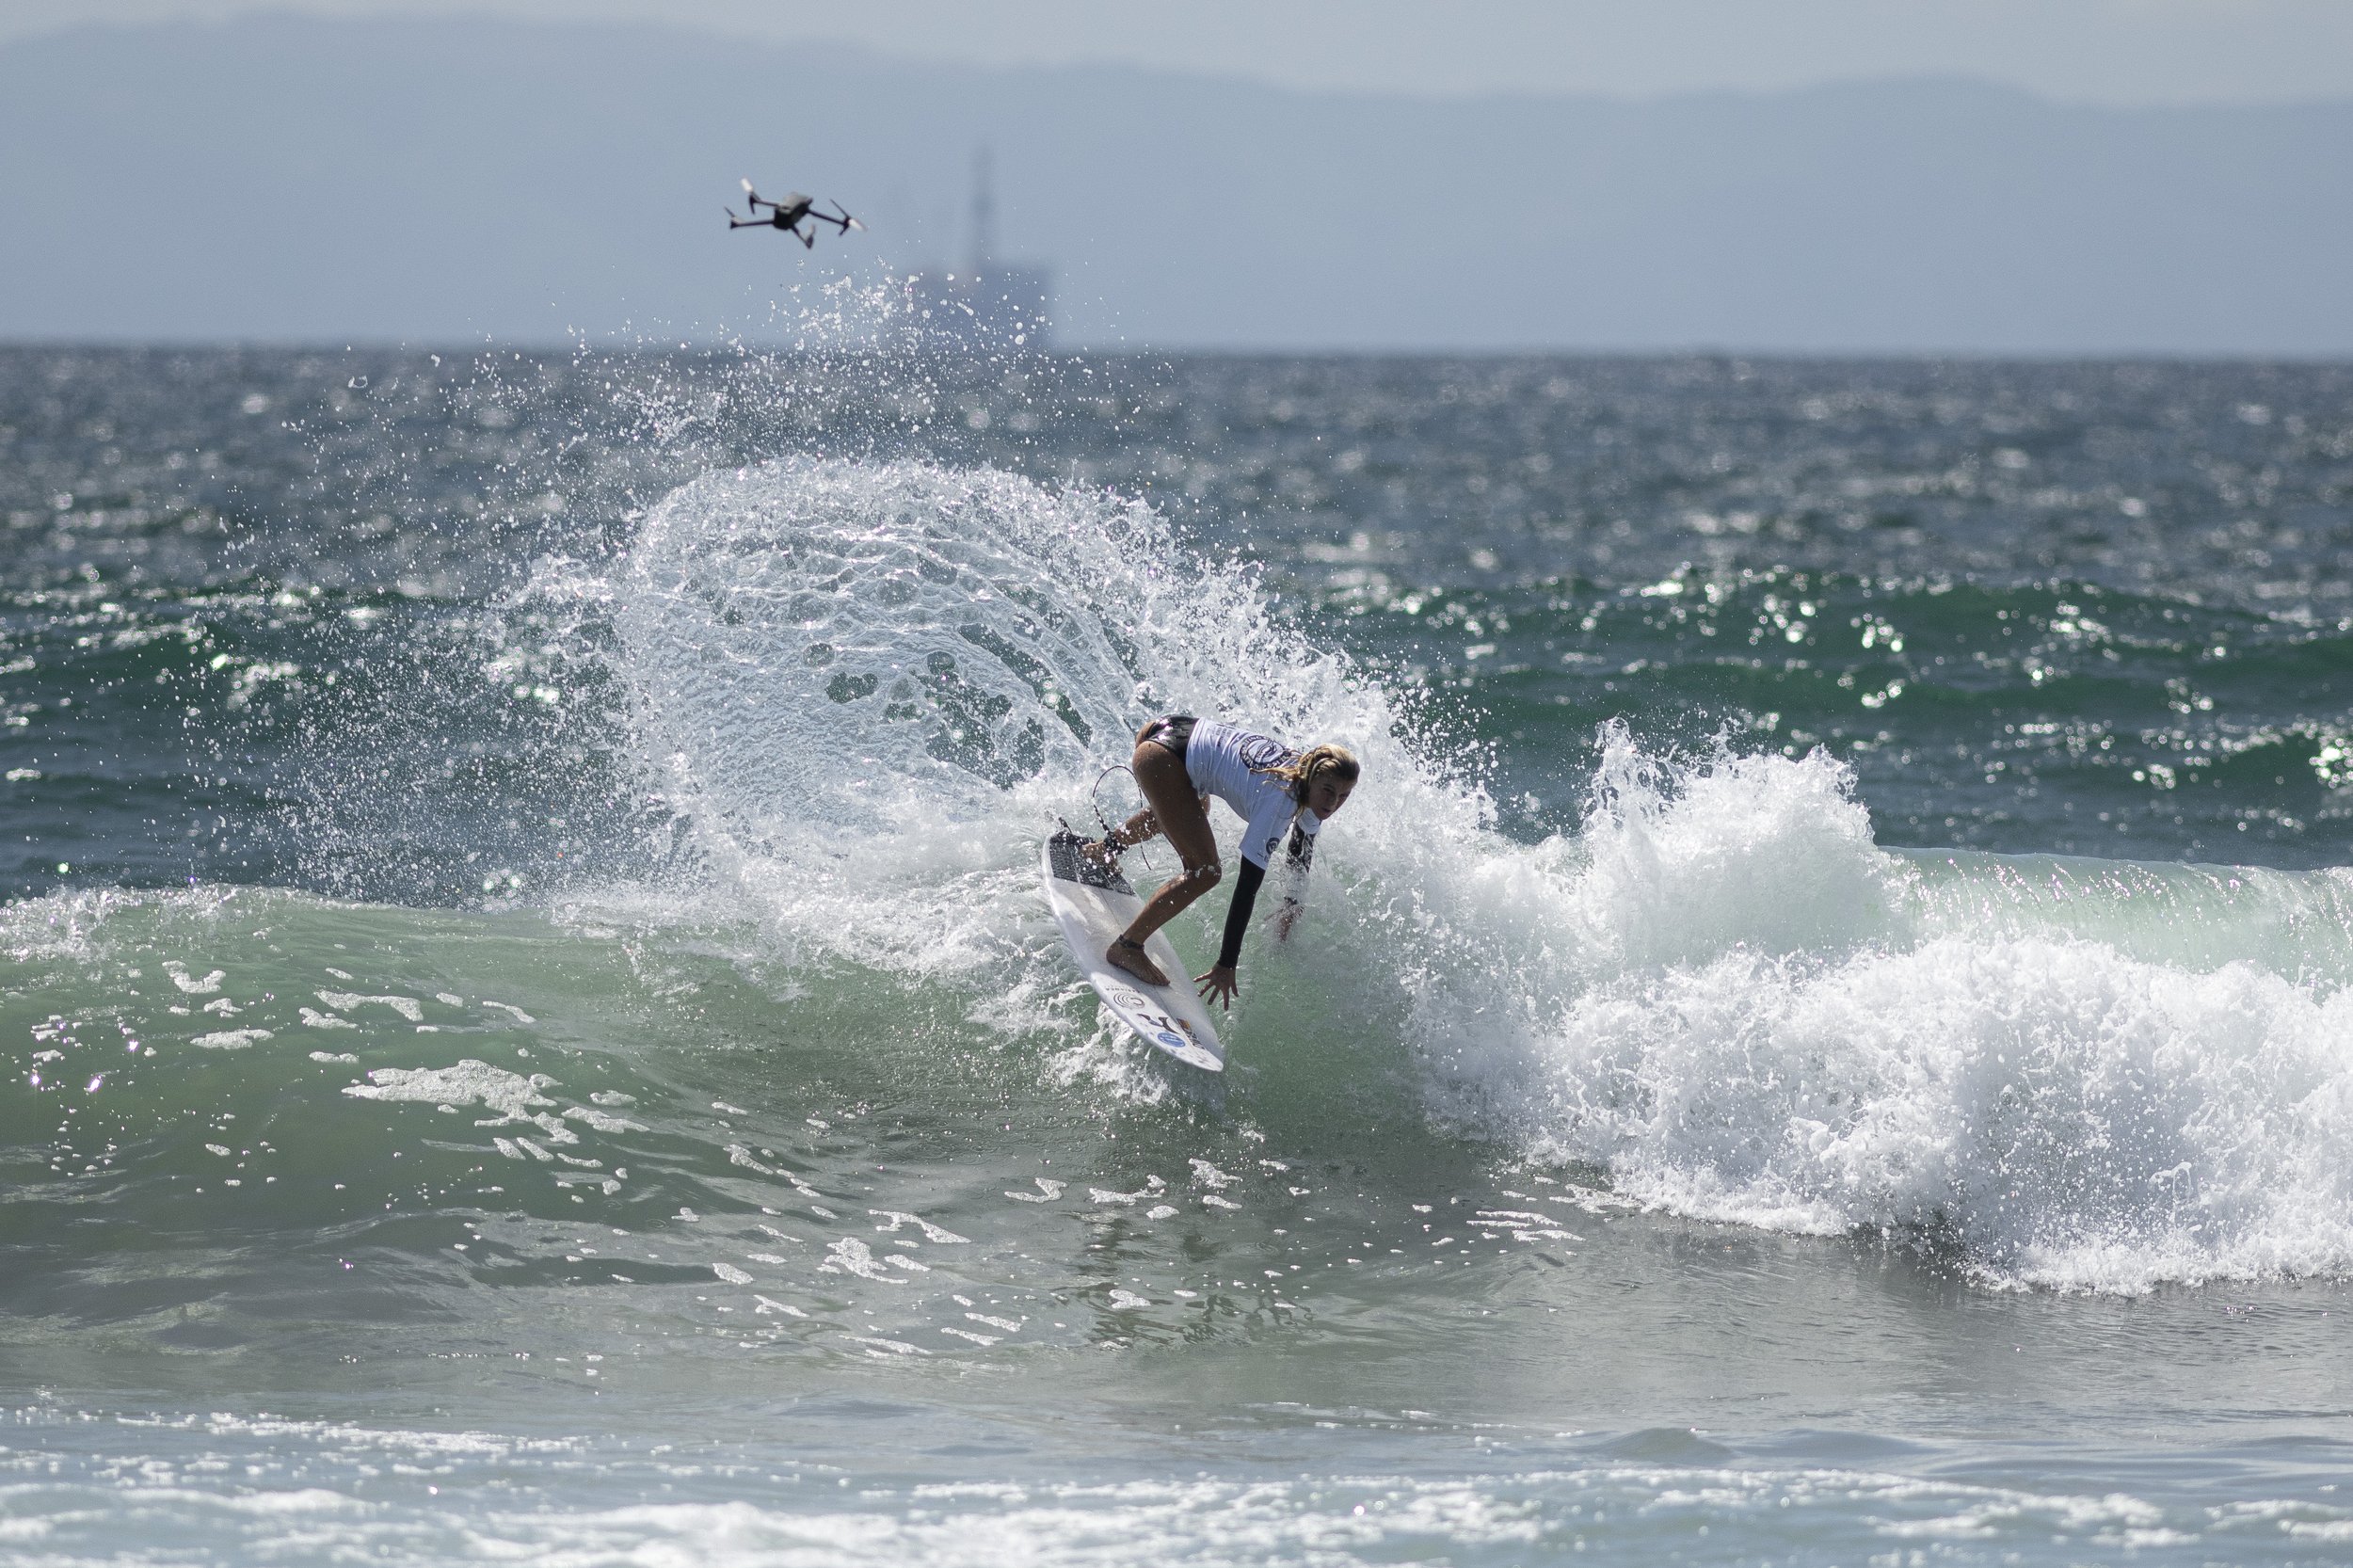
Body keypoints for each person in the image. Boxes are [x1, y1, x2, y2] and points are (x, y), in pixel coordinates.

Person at [1090, 715, 1358, 1008]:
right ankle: (1127, 946)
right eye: (1329, 791)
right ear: (1314, 778)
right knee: (1205, 872)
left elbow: (1301, 847)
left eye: (1343, 795)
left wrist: (1291, 903)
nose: (1333, 804)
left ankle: (1103, 852)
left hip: (1169, 730)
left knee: (1186, 810)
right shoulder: (1280, 802)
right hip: (1161, 757)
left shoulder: (1305, 776)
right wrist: (1226, 963)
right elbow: (1246, 888)